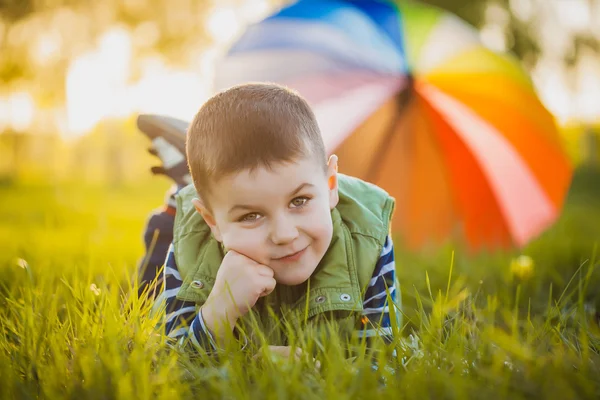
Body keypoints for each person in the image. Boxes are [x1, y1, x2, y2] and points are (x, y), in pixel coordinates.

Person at [140, 83, 401, 354]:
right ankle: (181, 192)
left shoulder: (367, 238)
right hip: (196, 232)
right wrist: (217, 311)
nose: (285, 234)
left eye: (299, 201)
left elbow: (381, 365)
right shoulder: (192, 247)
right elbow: (171, 370)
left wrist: (311, 373)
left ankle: (193, 177)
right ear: (213, 221)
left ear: (330, 185)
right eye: (251, 215)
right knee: (148, 288)